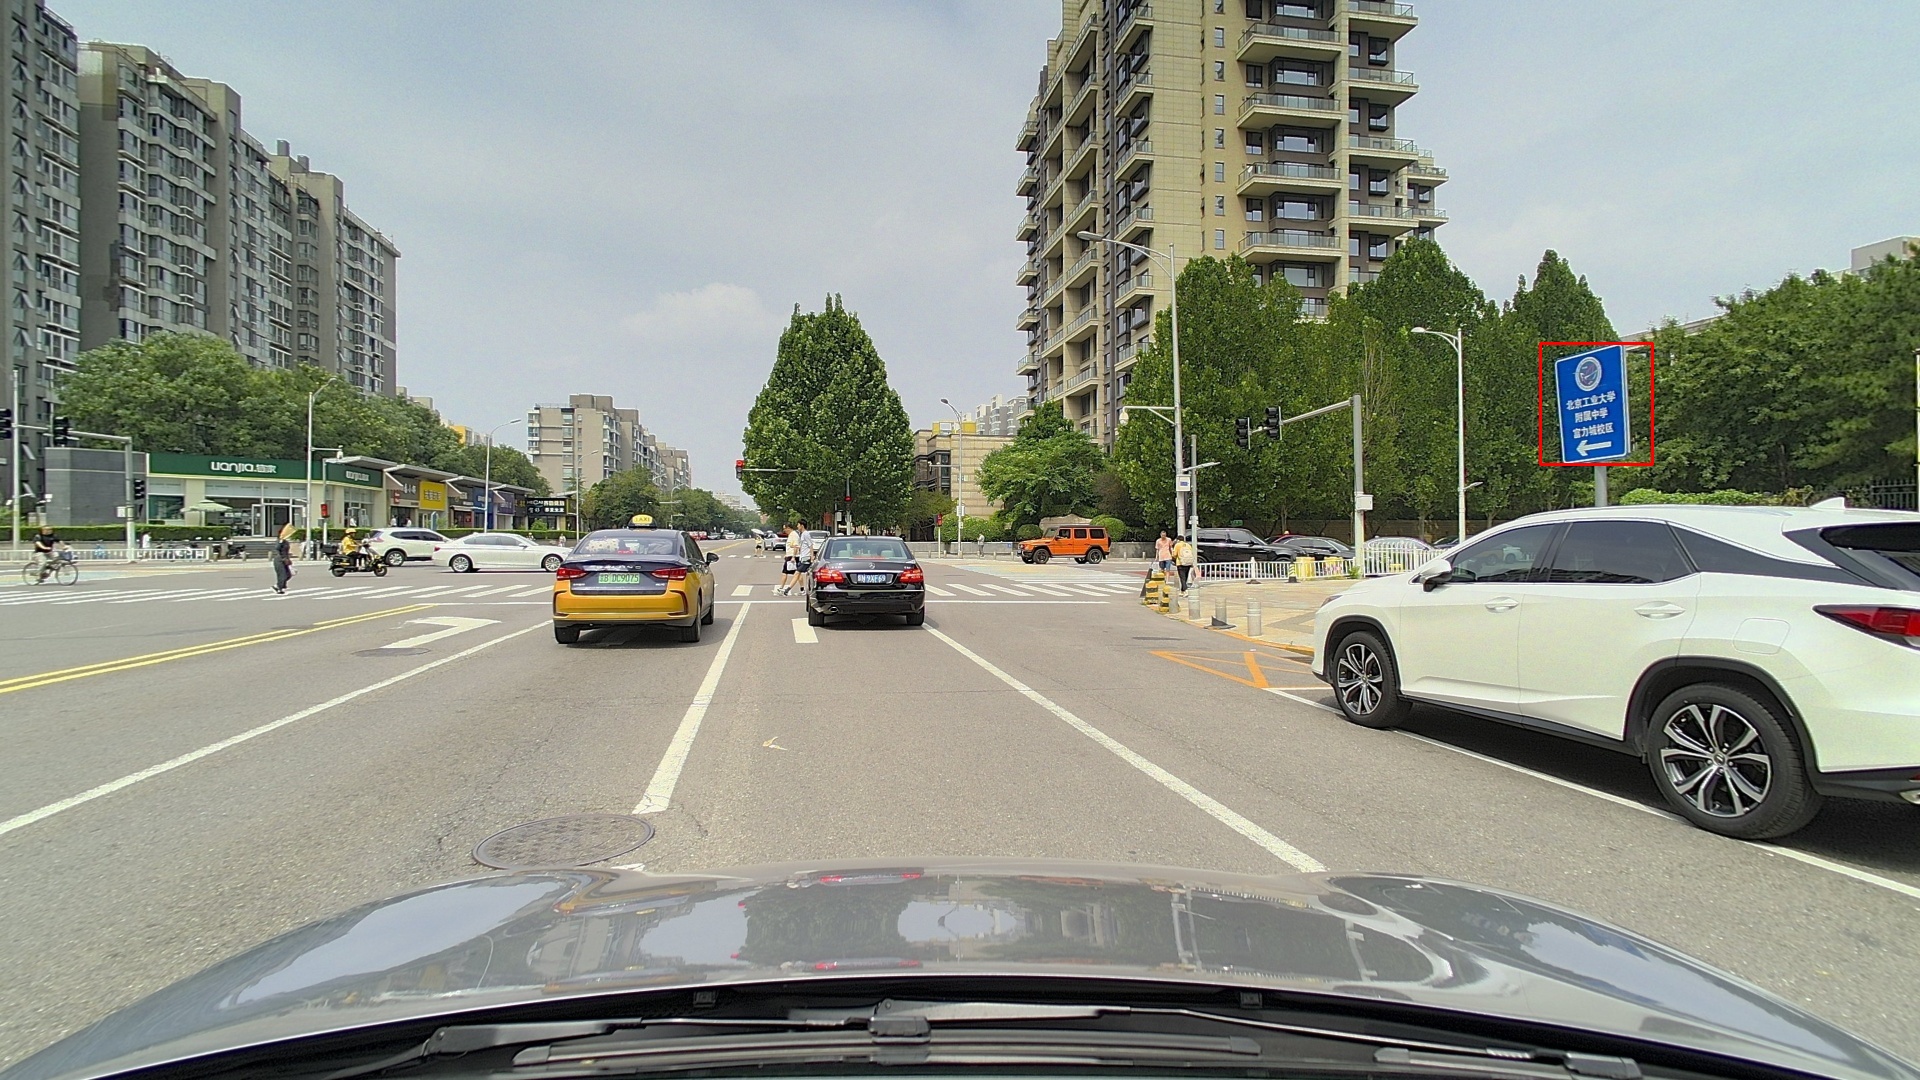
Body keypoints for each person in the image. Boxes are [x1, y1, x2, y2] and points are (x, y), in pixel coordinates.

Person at [776, 524, 802, 595]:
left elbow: (796, 546)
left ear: (789, 528)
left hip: (792, 556)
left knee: (786, 572)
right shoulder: (791, 535)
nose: (784, 530)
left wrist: (793, 557)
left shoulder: (794, 535)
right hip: (790, 555)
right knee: (797, 573)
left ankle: (781, 588)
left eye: (785, 528)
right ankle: (802, 589)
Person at [271, 524, 295, 594]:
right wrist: (280, 541)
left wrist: (288, 560)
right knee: (282, 575)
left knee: (288, 575)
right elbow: (277, 548)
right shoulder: (279, 541)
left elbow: (286, 551)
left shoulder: (286, 541)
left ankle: (277, 586)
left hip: (285, 559)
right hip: (279, 560)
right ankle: (279, 588)